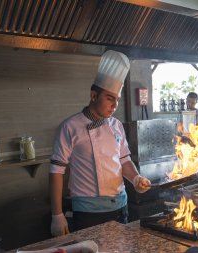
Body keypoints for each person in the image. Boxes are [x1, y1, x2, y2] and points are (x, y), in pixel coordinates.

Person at [49, 50, 151, 237]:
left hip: (121, 207)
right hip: (88, 213)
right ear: (93, 95)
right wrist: (57, 214)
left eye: (117, 100)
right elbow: (56, 171)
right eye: (109, 98)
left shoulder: (117, 125)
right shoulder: (70, 127)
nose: (114, 105)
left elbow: (124, 160)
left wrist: (136, 178)